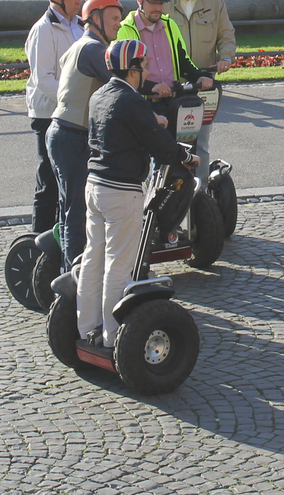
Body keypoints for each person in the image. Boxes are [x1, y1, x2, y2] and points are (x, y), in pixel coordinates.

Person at [76, 39, 198, 351]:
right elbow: (162, 147)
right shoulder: (131, 101)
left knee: (92, 260)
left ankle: (86, 327)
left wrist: (150, 121)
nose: (146, 71)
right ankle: (113, 337)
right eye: (143, 66)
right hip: (121, 192)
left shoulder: (99, 95)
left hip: (94, 186)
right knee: (119, 265)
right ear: (132, 70)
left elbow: (124, 127)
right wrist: (186, 158)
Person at [46, 0, 123, 271]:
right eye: (113, 18)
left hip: (64, 133)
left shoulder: (80, 45)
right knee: (77, 212)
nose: (119, 23)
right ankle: (74, 279)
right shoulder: (94, 49)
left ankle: (67, 269)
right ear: (96, 18)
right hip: (74, 136)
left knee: (69, 209)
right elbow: (123, 82)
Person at [23, 0, 88, 235]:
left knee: (72, 182)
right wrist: (71, 99)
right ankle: (39, 239)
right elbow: (43, 78)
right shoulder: (44, 30)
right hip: (48, 114)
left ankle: (65, 237)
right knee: (49, 181)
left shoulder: (80, 26)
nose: (79, 1)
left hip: (75, 113)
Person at [166, 0, 236, 175]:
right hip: (171, 83)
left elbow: (226, 34)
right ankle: (170, 187)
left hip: (204, 82)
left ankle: (201, 189)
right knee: (169, 141)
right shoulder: (163, 1)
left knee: (202, 142)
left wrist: (226, 57)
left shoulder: (214, 1)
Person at [115, 0, 214, 98]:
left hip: (171, 98)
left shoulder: (170, 25)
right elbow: (121, 74)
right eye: (153, 2)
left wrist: (199, 76)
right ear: (140, 0)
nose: (158, 8)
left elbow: (183, 61)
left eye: (161, 3)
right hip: (141, 102)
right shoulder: (124, 30)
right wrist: (151, 87)